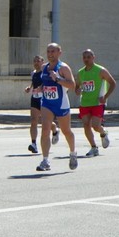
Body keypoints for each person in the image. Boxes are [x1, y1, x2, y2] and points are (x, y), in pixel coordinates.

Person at [36, 43, 77, 171]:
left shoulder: (63, 68)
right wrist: (40, 88)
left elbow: (72, 85)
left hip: (61, 103)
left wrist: (58, 78)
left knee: (66, 131)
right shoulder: (44, 67)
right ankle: (45, 160)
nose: (50, 54)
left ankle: (73, 153)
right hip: (47, 103)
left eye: (53, 51)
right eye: (48, 51)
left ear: (59, 52)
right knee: (45, 130)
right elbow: (46, 83)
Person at [74, 49, 116, 157]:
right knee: (86, 124)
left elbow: (113, 83)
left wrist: (105, 97)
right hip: (85, 103)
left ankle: (103, 132)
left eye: (88, 57)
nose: (86, 59)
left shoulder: (101, 70)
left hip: (98, 102)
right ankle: (93, 147)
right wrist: (77, 90)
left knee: (95, 126)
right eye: (84, 57)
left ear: (93, 57)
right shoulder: (80, 72)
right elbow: (77, 86)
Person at [25, 55, 59, 154]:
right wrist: (29, 88)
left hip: (44, 98)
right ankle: (34, 144)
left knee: (45, 121)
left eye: (38, 61)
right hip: (35, 98)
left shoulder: (46, 72)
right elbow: (33, 83)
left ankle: (55, 129)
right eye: (34, 61)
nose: (36, 63)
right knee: (33, 120)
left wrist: (42, 88)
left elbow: (50, 83)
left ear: (42, 62)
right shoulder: (33, 73)